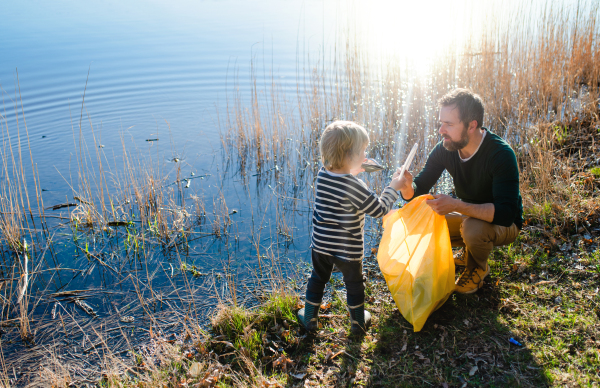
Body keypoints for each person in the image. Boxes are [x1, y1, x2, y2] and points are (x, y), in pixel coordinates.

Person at [397, 88, 522, 294]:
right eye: (441, 122)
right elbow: (419, 190)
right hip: (469, 215)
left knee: (473, 229)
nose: (441, 130)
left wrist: (456, 205)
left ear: (472, 125)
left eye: (449, 124)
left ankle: (478, 268)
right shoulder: (446, 148)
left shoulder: (501, 155)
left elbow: (505, 214)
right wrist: (408, 187)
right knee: (418, 216)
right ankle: (468, 252)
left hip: (505, 224)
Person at [297, 120, 404, 334]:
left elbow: (339, 185)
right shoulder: (355, 186)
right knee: (354, 283)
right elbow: (379, 209)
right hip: (348, 250)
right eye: (362, 151)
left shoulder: (321, 175)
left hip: (320, 245)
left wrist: (353, 169)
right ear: (348, 156)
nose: (365, 156)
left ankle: (309, 318)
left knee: (318, 278)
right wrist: (394, 186)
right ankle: (357, 323)